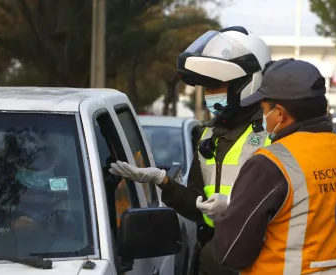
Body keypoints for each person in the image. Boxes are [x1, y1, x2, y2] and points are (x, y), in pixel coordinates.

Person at [108, 26, 272, 275]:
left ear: (246, 83)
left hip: (256, 261)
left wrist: (232, 208)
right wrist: (162, 181)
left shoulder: (272, 135)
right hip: (211, 259)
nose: (209, 94)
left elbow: (289, 207)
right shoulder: (209, 135)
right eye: (206, 87)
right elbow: (197, 206)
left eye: (217, 85)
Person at [211, 58, 336, 275]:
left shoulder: (269, 164)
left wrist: (230, 215)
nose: (263, 118)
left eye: (263, 109)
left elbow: (232, 252)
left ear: (279, 113)